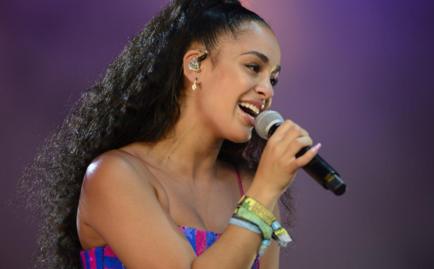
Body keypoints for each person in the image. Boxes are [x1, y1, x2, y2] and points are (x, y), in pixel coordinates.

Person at [22, 1, 320, 268]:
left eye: (274, 79)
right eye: (253, 67)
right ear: (195, 65)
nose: (266, 90)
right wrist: (263, 195)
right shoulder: (114, 175)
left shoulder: (251, 186)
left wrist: (263, 192)